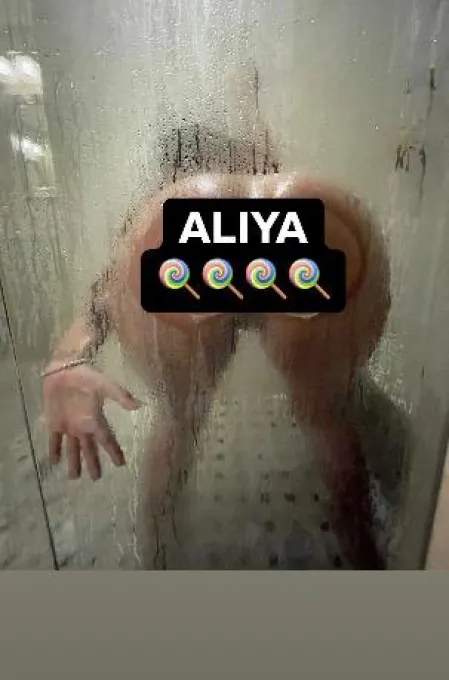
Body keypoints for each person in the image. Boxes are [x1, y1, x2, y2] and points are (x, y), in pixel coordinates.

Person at [41, 121, 391, 569]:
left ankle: (158, 559)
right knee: (324, 416)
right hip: (308, 207)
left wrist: (67, 356)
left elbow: (105, 292)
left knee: (178, 421)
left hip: (183, 225)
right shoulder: (269, 177)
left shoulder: (166, 201)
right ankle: (365, 559)